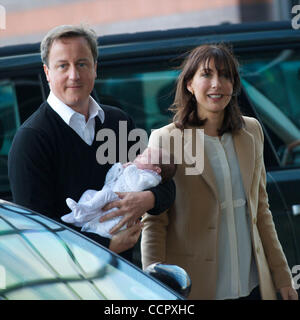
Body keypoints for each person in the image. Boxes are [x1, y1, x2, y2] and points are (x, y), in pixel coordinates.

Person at [141, 44, 298, 300]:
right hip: (198, 288)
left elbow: (261, 210)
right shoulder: (165, 139)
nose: (217, 83)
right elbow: (155, 222)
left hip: (252, 285)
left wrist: (282, 277)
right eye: (207, 74)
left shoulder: (252, 131)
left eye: (226, 76)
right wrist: (154, 289)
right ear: (189, 84)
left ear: (234, 85)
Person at [8, 24, 175, 262]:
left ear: (95, 68)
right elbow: (37, 233)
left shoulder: (117, 121)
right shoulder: (32, 139)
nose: (74, 75)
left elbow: (166, 183)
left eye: (82, 63)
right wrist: (107, 246)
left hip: (128, 276)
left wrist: (147, 199)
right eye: (63, 66)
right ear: (47, 72)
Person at [61, 147, 176, 239]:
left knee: (105, 195)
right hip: (111, 196)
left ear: (157, 170)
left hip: (119, 201)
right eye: (141, 154)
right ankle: (77, 214)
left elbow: (136, 185)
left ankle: (82, 212)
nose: (139, 155)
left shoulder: (151, 178)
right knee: (89, 194)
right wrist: (119, 168)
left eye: (145, 157)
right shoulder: (138, 170)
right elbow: (109, 179)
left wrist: (132, 168)